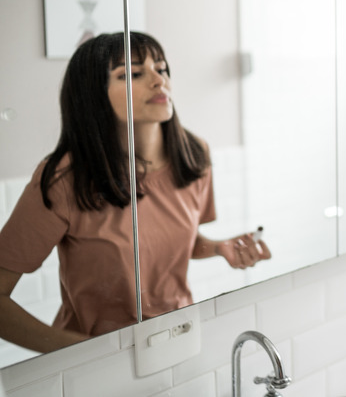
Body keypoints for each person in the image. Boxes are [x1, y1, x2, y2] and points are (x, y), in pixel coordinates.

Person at [0, 32, 270, 353]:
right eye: (133, 74)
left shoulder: (194, 155)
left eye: (162, 68)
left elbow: (166, 240)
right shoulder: (64, 178)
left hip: (176, 344)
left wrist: (217, 248)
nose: (159, 80)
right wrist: (81, 354)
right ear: (94, 94)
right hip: (94, 363)